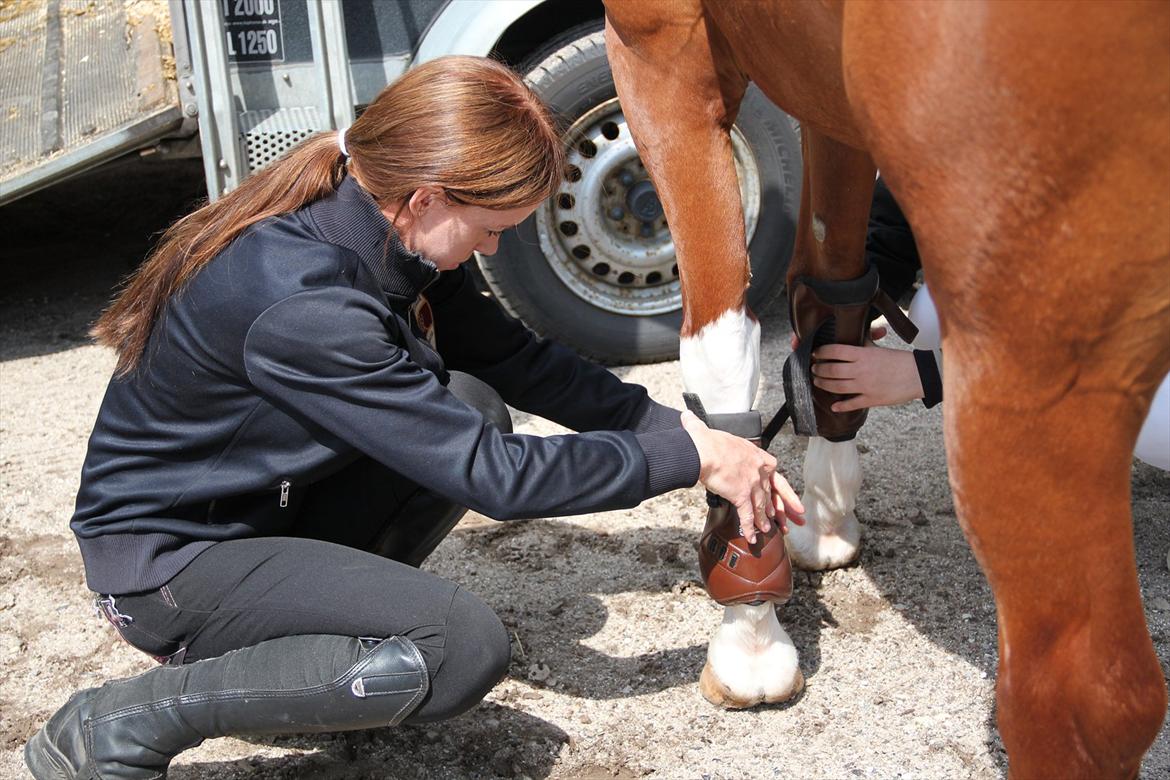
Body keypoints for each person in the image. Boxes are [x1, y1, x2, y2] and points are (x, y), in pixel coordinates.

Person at [25, 56, 805, 780]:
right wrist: (690, 465)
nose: (494, 248)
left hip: (257, 514)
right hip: (172, 570)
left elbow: (522, 363)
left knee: (472, 402)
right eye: (492, 229)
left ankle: (311, 652)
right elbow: (497, 481)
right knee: (460, 647)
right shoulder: (306, 304)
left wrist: (683, 431)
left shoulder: (386, 231)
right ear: (427, 197)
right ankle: (118, 723)